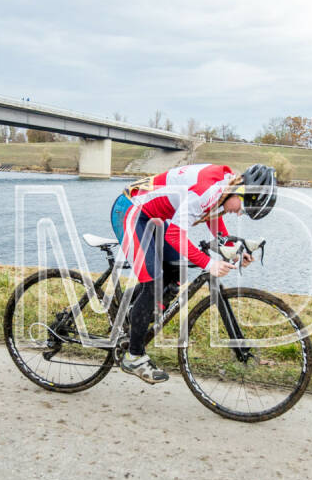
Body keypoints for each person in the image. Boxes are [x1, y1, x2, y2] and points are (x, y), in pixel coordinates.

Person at [108, 163, 277, 383]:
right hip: (131, 211)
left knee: (176, 273)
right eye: (244, 209)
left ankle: (132, 311)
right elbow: (176, 234)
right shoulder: (206, 190)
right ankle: (134, 355)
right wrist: (209, 264)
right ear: (241, 190)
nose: (239, 214)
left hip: (154, 218)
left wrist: (232, 249)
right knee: (154, 283)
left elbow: (213, 213)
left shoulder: (224, 186)